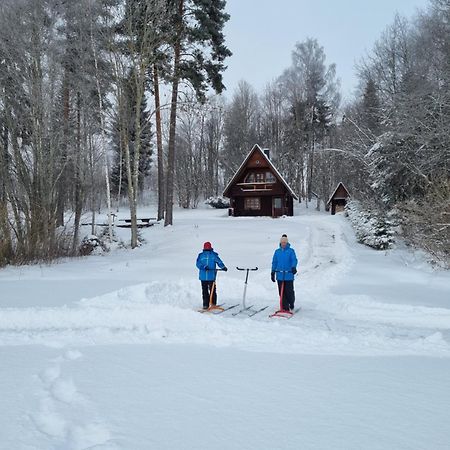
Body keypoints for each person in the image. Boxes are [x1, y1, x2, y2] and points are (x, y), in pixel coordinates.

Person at [196, 242, 228, 309]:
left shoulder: (213, 255)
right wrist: (204, 267)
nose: (207, 248)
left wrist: (223, 267)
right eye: (206, 247)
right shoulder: (201, 255)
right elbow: (198, 264)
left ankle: (213, 303)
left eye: (208, 247)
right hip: (203, 276)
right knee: (205, 290)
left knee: (212, 290)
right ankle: (205, 304)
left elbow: (219, 262)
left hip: (211, 276)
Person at [271, 234, 298, 311]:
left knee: (289, 291)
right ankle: (285, 307)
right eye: (282, 242)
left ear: (287, 243)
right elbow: (274, 262)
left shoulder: (291, 251)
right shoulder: (277, 252)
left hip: (288, 274)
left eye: (285, 243)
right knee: (281, 292)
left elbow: (294, 260)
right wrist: (273, 272)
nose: (283, 244)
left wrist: (293, 267)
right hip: (279, 274)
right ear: (280, 243)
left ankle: (291, 302)